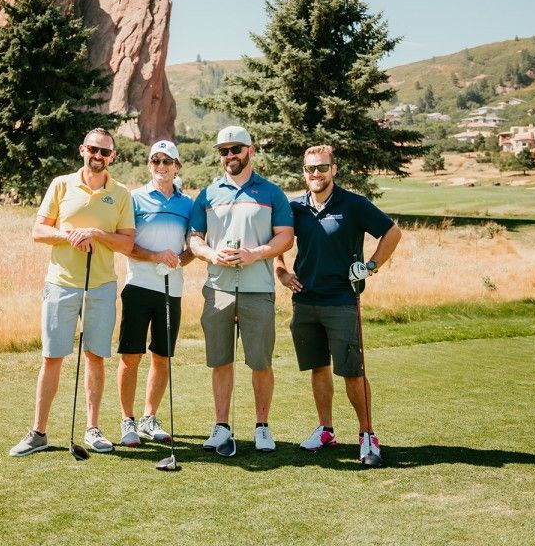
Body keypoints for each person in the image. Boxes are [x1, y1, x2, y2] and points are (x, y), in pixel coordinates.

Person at [9, 128, 135, 457]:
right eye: (93, 149)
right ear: (82, 149)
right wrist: (70, 236)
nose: (98, 155)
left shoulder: (120, 193)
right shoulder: (61, 185)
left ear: (113, 157)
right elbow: (38, 231)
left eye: (105, 152)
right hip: (61, 283)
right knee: (52, 357)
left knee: (95, 356)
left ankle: (92, 429)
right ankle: (38, 433)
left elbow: (127, 242)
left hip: (102, 286)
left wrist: (96, 233)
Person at [274, 144, 402, 466]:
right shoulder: (295, 208)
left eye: (322, 167)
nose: (316, 174)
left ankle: (367, 435)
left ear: (334, 169)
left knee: (352, 372)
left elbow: (392, 232)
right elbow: (279, 239)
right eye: (310, 169)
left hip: (342, 300)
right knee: (318, 368)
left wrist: (371, 266)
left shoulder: (354, 204)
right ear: (304, 172)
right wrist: (282, 272)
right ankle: (326, 429)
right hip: (305, 302)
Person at [188, 125, 294, 454]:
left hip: (258, 289)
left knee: (260, 362)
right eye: (224, 151)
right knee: (220, 361)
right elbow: (194, 239)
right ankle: (221, 427)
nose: (230, 156)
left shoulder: (271, 192)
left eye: (236, 149)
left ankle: (262, 427)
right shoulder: (207, 194)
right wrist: (210, 254)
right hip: (217, 287)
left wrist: (255, 254)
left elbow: (285, 237)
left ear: (251, 150)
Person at [117, 140, 194, 446]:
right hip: (138, 287)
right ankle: (128, 421)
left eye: (167, 161)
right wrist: (156, 256)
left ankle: (150, 417)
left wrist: (179, 260)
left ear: (177, 166)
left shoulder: (188, 205)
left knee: (162, 357)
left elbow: (192, 248)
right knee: (131, 356)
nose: (161, 166)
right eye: (155, 161)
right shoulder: (134, 199)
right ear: (149, 165)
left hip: (170, 291)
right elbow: (126, 245)